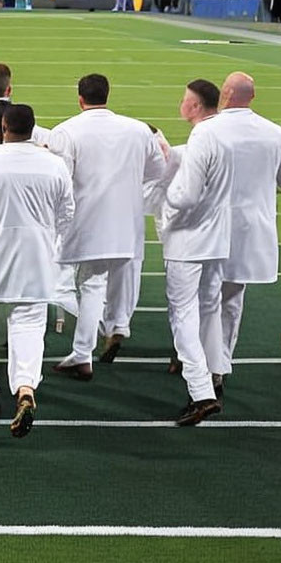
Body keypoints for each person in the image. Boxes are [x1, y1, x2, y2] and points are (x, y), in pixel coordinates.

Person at [0, 104, 74, 437]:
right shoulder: (54, 166)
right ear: (33, 129)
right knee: (29, 321)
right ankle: (25, 387)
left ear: (4, 126)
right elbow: (66, 214)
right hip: (35, 253)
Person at [49, 74, 165, 380]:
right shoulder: (138, 129)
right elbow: (157, 170)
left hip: (88, 220)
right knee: (125, 276)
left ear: (80, 98)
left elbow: (61, 180)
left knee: (91, 285)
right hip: (127, 218)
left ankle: (82, 354)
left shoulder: (67, 131)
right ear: (107, 95)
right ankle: (118, 326)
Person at [208, 72, 281, 393]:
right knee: (231, 299)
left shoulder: (208, 130)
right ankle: (221, 363)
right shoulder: (277, 134)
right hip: (252, 230)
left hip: (210, 229)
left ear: (224, 94)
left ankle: (207, 364)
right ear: (252, 97)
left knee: (204, 299)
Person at [160, 80, 234, 426]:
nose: (181, 103)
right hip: (217, 238)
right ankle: (214, 376)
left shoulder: (202, 135)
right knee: (209, 309)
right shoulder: (225, 132)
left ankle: (201, 390)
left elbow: (185, 195)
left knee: (183, 316)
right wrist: (169, 152)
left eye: (185, 99)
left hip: (188, 239)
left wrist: (166, 198)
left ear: (195, 106)